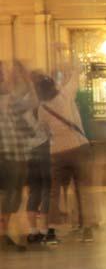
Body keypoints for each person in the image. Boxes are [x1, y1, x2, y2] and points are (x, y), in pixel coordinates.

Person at [42, 61, 95, 243]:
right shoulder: (66, 95)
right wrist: (68, 60)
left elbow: (42, 130)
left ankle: (51, 231)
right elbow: (76, 73)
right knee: (82, 189)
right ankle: (86, 228)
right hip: (78, 147)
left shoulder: (42, 108)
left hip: (57, 152)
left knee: (54, 192)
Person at [0, 62, 36, 252]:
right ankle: (4, 232)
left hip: (14, 153)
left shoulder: (10, 98)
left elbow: (30, 105)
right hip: (8, 154)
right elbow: (31, 103)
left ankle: (5, 231)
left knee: (11, 195)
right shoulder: (8, 98)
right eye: (4, 73)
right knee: (11, 194)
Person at [25, 74, 55, 245]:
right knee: (46, 189)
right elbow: (50, 132)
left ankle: (32, 231)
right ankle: (45, 230)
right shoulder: (45, 106)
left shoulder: (25, 105)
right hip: (44, 149)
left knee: (34, 189)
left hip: (29, 151)